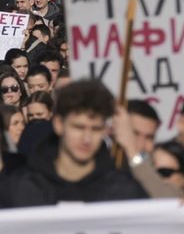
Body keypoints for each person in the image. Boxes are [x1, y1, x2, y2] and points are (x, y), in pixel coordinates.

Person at [0, 80, 147, 207]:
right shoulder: (18, 188)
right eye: (78, 127)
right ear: (58, 124)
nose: (86, 138)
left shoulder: (123, 191)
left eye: (96, 129)